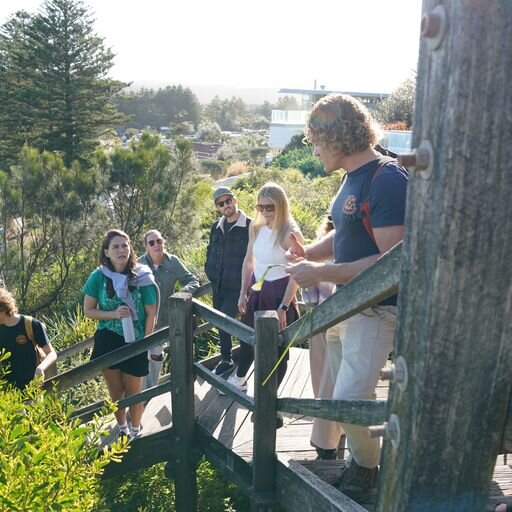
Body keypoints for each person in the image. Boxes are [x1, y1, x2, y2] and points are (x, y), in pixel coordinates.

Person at [286, 93, 408, 502]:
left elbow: (392, 261)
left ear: (339, 137)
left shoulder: (388, 177)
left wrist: (319, 273)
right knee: (341, 403)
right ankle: (364, 466)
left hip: (375, 312)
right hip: (346, 307)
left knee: (349, 399)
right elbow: (347, 230)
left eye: (317, 139)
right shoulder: (353, 179)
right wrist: (311, 253)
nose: (314, 148)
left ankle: (370, 468)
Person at [227, 182, 303, 395]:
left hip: (280, 292)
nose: (265, 211)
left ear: (281, 206)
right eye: (261, 207)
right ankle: (241, 378)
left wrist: (283, 307)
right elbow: (249, 261)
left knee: (278, 350)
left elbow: (297, 273)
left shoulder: (290, 232)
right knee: (248, 338)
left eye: (270, 207)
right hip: (257, 288)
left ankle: (270, 398)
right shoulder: (256, 227)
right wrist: (243, 292)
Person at [83, 229, 158, 439]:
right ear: (106, 252)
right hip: (108, 340)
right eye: (115, 246)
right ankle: (123, 428)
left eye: (125, 245)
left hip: (136, 341)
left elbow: (151, 313)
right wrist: (113, 314)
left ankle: (135, 430)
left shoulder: (142, 276)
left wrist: (145, 343)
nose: (121, 250)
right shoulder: (98, 277)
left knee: (134, 394)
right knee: (116, 393)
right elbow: (88, 310)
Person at [303, 214, 344, 460]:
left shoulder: (348, 251)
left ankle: (325, 442)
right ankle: (335, 433)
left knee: (330, 381)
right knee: (321, 382)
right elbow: (310, 285)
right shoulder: (321, 249)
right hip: (319, 321)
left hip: (337, 321)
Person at [138, 229, 199, 389]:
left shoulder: (173, 261)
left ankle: (153, 391)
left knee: (160, 356)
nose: (156, 245)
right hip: (145, 321)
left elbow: (192, 281)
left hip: (167, 318)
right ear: (146, 246)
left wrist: (180, 295)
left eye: (159, 241)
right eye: (151, 243)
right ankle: (143, 395)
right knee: (144, 356)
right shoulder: (139, 265)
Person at [205, 187, 251, 376]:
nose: (226, 206)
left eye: (228, 201)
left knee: (227, 322)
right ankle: (227, 359)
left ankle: (241, 362)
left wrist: (245, 290)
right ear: (217, 207)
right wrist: (208, 269)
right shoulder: (216, 226)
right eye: (221, 203)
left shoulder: (250, 226)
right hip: (218, 286)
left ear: (235, 200)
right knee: (220, 323)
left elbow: (254, 258)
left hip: (239, 288)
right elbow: (210, 251)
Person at [0, 287, 57, 390]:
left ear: (2, 308)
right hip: (9, 395)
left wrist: (40, 368)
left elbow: (51, 353)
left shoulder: (30, 324)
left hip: (34, 388)